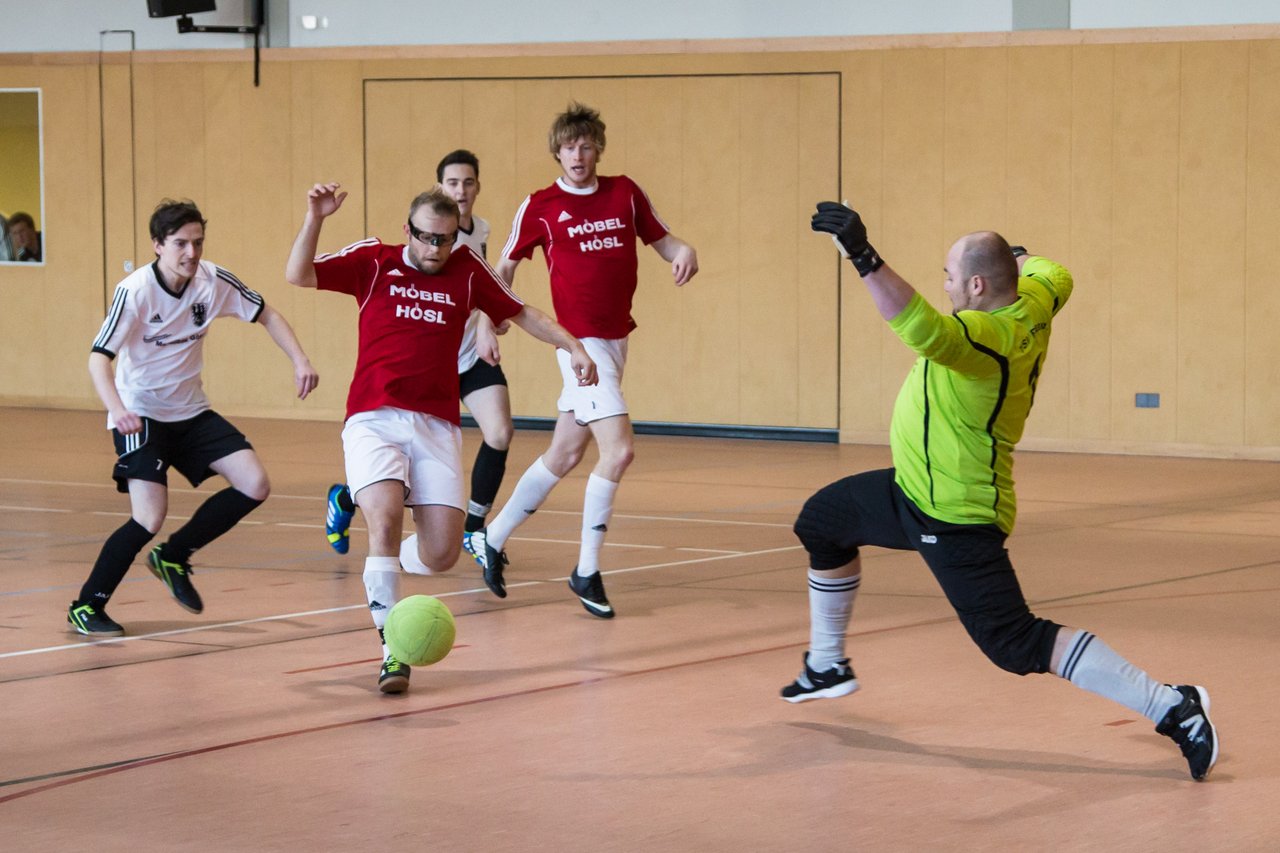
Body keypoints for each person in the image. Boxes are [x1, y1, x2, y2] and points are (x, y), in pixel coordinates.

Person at [783, 200, 1218, 782]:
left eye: (950, 276)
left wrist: (863, 256)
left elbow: (919, 326)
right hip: (911, 488)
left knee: (1014, 644)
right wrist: (1020, 258)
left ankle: (1171, 706)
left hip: (956, 511)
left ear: (978, 285)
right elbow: (1056, 272)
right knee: (821, 522)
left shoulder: (982, 339)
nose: (944, 284)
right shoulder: (1035, 295)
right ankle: (827, 664)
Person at [286, 182, 596, 694]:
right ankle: (392, 651)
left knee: (440, 555)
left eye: (446, 240)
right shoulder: (374, 260)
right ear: (408, 230)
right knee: (384, 520)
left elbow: (524, 314)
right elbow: (298, 274)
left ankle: (347, 501)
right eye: (427, 238)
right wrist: (315, 217)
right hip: (374, 416)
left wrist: (572, 345)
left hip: (436, 424)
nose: (435, 250)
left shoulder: (469, 272)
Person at [464, 102, 698, 620]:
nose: (579, 154)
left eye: (587, 145)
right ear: (557, 151)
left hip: (616, 341)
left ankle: (492, 537)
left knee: (565, 453)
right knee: (618, 452)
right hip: (580, 346)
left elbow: (663, 240)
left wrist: (684, 250)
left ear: (598, 150)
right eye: (569, 146)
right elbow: (501, 268)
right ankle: (586, 569)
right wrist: (485, 320)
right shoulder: (542, 205)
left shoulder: (624, 192)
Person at [69, 199, 319, 637]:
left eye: (197, 242)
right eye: (180, 243)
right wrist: (118, 409)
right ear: (157, 245)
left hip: (190, 411)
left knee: (254, 484)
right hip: (141, 413)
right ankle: (86, 606)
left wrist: (300, 360)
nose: (191, 252)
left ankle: (174, 555)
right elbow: (97, 359)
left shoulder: (213, 280)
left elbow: (268, 314)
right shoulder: (135, 291)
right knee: (148, 517)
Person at [322, 150, 515, 553]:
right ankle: (352, 497)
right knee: (391, 487)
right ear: (438, 190)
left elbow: (493, 290)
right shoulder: (422, 240)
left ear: (478, 187)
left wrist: (485, 324)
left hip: (466, 355)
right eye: (452, 183)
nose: (460, 191)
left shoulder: (478, 232)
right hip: (423, 366)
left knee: (499, 431)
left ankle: (472, 525)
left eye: (468, 182)